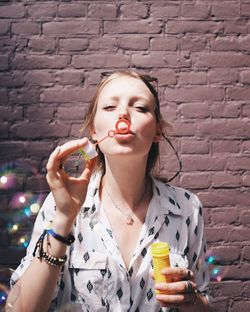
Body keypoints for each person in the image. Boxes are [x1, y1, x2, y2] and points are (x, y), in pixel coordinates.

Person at [7, 71, 210, 312]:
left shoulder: (187, 207)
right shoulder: (61, 204)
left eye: (141, 108)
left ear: (157, 131)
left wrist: (192, 300)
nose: (123, 113)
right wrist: (64, 218)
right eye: (110, 106)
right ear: (94, 131)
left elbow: (204, 302)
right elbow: (18, 310)